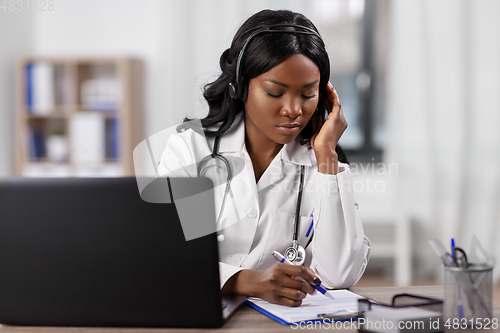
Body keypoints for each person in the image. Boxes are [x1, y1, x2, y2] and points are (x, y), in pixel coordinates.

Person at [159, 9, 370, 307]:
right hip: (195, 315)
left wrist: (327, 156)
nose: (293, 109)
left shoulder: (324, 166)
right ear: (240, 87)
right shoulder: (189, 149)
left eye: (308, 94)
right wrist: (249, 282)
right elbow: (166, 256)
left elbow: (340, 276)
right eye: (275, 92)